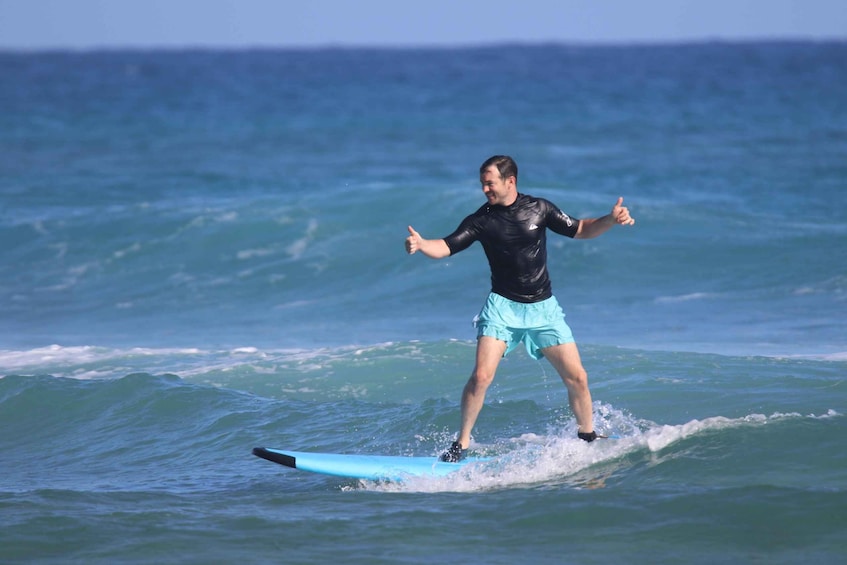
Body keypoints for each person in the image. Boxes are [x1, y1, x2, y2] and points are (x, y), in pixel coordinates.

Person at [405, 155, 635, 462]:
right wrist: (422, 245)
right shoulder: (481, 220)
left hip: (544, 309)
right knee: (482, 377)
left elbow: (580, 229)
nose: (485, 189)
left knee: (577, 377)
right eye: (482, 183)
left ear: (509, 181)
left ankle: (586, 435)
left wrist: (610, 219)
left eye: (490, 183)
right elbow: (447, 246)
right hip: (502, 309)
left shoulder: (539, 208)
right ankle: (462, 442)